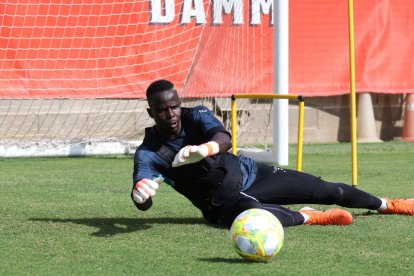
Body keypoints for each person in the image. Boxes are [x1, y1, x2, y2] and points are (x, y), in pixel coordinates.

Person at [131, 79, 414, 228]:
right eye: (161, 110)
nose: (170, 114)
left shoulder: (197, 114)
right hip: (221, 204)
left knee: (331, 190)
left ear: (180, 104)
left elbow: (224, 138)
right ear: (150, 113)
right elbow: (142, 193)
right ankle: (310, 217)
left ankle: (388, 204)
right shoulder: (149, 152)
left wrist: (203, 149)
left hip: (252, 174)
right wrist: (141, 197)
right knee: (259, 216)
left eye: (174, 107)